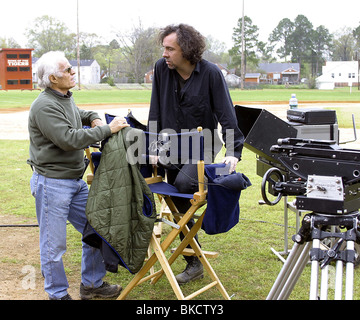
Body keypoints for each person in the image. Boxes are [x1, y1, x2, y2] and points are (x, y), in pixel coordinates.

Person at [27, 51, 129, 300]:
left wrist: (93, 117)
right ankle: (58, 294)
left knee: (95, 230)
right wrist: (107, 129)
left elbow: (76, 112)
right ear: (53, 78)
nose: (74, 73)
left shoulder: (63, 97)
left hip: (74, 182)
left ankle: (92, 286)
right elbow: (68, 139)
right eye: (68, 70)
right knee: (54, 246)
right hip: (52, 184)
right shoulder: (43, 106)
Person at [148, 24, 244, 285]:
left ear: (187, 50)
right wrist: (154, 145)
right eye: (164, 48)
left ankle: (220, 178)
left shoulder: (211, 73)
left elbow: (227, 115)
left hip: (204, 146)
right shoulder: (160, 69)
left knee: (183, 184)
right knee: (178, 198)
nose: (165, 54)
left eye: (170, 49)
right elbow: (155, 108)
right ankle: (193, 260)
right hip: (171, 146)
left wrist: (234, 152)